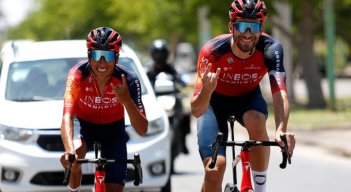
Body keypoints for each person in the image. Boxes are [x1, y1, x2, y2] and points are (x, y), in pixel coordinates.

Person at [190, 1, 296, 192]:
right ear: (231, 26)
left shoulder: (271, 49)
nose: (247, 33)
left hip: (247, 99)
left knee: (256, 120)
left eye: (254, 26)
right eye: (241, 26)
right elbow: (196, 110)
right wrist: (206, 90)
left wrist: (281, 129)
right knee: (215, 170)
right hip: (213, 102)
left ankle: (260, 188)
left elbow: (279, 92)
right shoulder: (212, 51)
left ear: (261, 28)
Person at [60, 27, 148, 192]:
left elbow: (143, 129)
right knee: (75, 156)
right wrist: (68, 150)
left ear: (116, 58)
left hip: (113, 131)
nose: (101, 62)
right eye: (96, 55)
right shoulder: (77, 75)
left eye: (107, 56)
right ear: (88, 55)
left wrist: (127, 101)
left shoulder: (128, 80)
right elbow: (67, 117)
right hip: (84, 127)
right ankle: (74, 184)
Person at [146, 39, 191, 172]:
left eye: (162, 54)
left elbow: (181, 78)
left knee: (186, 114)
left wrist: (183, 81)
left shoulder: (171, 68)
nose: (159, 56)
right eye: (157, 53)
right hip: (156, 102)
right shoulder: (148, 70)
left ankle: (183, 142)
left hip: (171, 101)